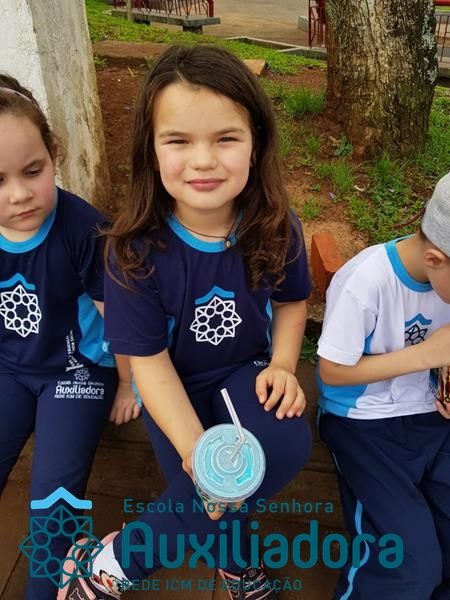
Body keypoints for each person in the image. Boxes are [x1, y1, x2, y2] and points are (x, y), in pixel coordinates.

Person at [60, 44, 313, 600]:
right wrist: (198, 453)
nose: (203, 161)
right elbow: (148, 365)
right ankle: (237, 564)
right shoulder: (133, 250)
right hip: (170, 386)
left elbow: (293, 300)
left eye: (226, 138)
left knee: (284, 446)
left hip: (243, 373)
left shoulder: (276, 225)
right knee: (209, 489)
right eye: (178, 140)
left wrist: (283, 364)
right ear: (151, 151)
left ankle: (112, 562)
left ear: (256, 144)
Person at [0, 75, 139, 600]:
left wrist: (128, 384)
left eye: (32, 171)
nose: (19, 195)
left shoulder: (84, 230)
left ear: (54, 155)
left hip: (77, 371)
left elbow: (120, 318)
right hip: (11, 366)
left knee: (52, 503)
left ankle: (51, 585)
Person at [317, 171, 450, 599]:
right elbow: (331, 372)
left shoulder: (444, 282)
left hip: (429, 416)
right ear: (435, 259)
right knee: (408, 567)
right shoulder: (366, 281)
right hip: (363, 423)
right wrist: (425, 356)